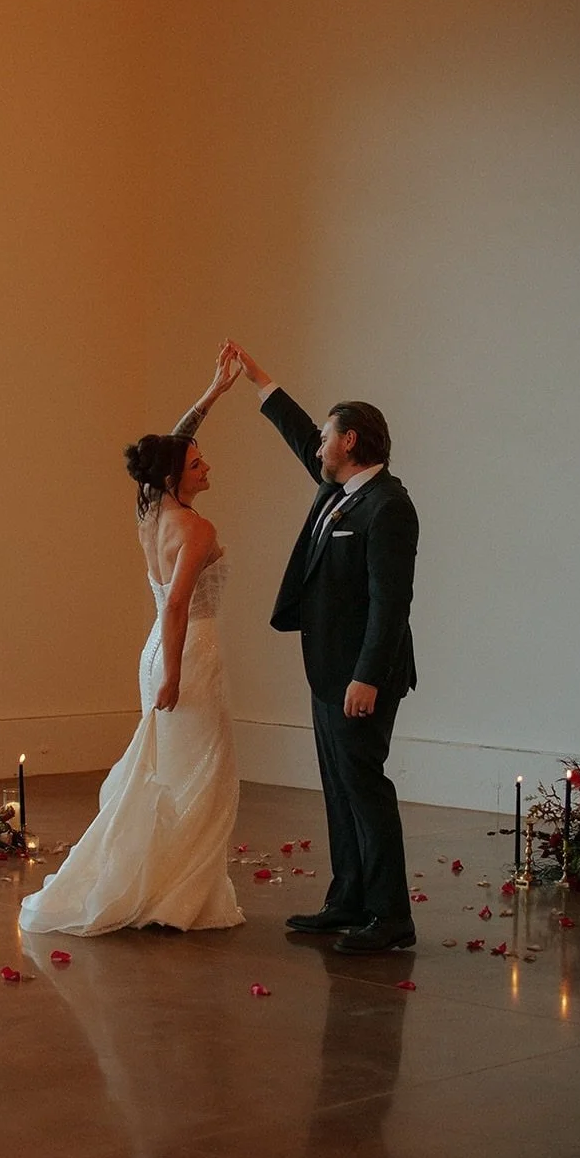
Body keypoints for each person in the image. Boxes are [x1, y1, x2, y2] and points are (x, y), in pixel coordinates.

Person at [19, 345, 244, 936]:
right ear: (174, 478)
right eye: (196, 464)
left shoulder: (150, 512)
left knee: (169, 770)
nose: (206, 466)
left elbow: (172, 444)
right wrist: (174, 675)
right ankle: (174, 895)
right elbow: (177, 604)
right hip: (186, 653)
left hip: (155, 652)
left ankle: (166, 885)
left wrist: (213, 391)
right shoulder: (196, 528)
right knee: (201, 775)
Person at [229, 341, 419, 954]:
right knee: (338, 789)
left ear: (351, 441)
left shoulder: (388, 507)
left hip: (361, 677)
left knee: (364, 789)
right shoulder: (339, 488)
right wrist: (259, 379)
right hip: (327, 672)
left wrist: (367, 677)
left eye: (328, 439)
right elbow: (301, 434)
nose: (318, 448)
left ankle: (390, 916)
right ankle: (349, 900)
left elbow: (390, 604)